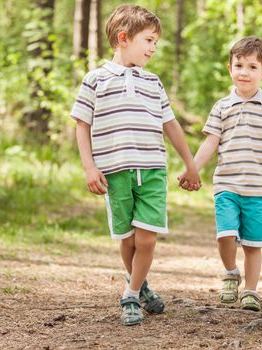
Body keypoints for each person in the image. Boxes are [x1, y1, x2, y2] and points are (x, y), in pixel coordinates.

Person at [70, 4, 200, 326]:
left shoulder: (153, 83)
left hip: (152, 169)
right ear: (124, 38)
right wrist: (89, 167)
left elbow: (170, 125)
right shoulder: (95, 80)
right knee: (127, 240)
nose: (154, 48)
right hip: (115, 172)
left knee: (147, 238)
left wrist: (190, 164)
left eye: (156, 42)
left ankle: (129, 294)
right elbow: (81, 124)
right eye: (149, 40)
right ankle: (140, 285)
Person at [180, 36, 262, 311]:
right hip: (227, 184)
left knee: (254, 244)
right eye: (239, 65)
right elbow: (210, 142)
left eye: (253, 67)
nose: (244, 72)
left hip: (258, 187)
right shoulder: (221, 106)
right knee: (225, 235)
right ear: (230, 69)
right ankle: (231, 271)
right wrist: (192, 168)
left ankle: (251, 291)